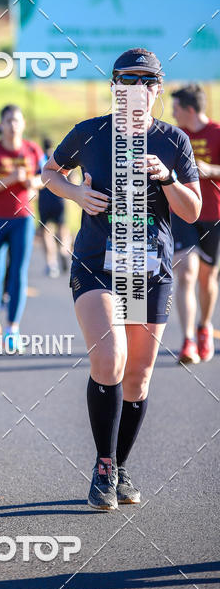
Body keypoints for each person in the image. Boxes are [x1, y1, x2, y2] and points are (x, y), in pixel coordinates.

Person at [42, 48, 201, 510]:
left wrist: (168, 179)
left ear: (158, 90)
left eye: (148, 83)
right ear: (115, 87)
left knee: (138, 377)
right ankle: (104, 468)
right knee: (110, 359)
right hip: (98, 262)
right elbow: (49, 173)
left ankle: (120, 464)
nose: (138, 90)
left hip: (149, 268)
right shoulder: (90, 132)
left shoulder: (172, 141)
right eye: (128, 82)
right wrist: (76, 192)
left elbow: (193, 210)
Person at [0, 105, 43, 354]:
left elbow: (43, 178)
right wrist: (10, 178)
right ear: (1, 125)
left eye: (17, 120)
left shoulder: (32, 149)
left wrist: (31, 182)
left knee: (18, 273)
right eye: (8, 120)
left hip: (22, 219)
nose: (13, 124)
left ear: (23, 123)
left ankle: (13, 329)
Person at [170, 84, 220, 364]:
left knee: (206, 278)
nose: (173, 113)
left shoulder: (216, 133)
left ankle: (204, 327)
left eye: (176, 108)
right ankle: (187, 341)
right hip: (184, 214)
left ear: (189, 109)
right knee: (186, 273)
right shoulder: (176, 137)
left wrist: (210, 170)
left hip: (214, 214)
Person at [38, 137, 72, 278]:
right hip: (59, 198)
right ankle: (64, 251)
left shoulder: (40, 160)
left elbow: (37, 180)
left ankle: (51, 264)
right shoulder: (60, 158)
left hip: (44, 199)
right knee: (62, 228)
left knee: (46, 231)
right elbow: (72, 179)